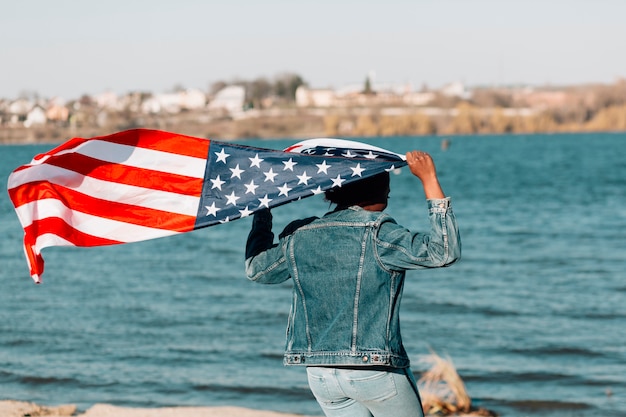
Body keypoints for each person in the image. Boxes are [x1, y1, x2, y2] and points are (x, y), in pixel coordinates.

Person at [245, 150, 461, 417]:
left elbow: (257, 270)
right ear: (376, 194)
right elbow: (444, 252)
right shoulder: (379, 233)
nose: (388, 199)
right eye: (387, 193)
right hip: (373, 371)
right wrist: (429, 179)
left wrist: (262, 211)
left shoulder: (300, 235)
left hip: (321, 375)